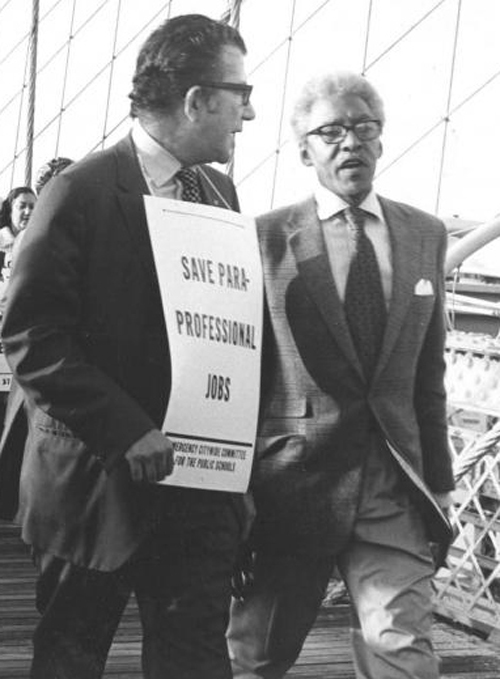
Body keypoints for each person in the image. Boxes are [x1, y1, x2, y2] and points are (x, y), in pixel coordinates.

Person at [0, 13, 255, 679]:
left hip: (197, 499)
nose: (247, 113)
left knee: (196, 664)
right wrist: (126, 428)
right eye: (240, 93)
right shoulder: (77, 192)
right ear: (198, 99)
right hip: (94, 490)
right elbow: (31, 338)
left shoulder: (222, 194)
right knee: (69, 662)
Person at [227, 70, 455, 679]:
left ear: (381, 141)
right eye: (330, 131)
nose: (349, 141)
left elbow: (425, 373)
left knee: (402, 653)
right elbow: (244, 373)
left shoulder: (423, 233)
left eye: (363, 128)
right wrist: (236, 489)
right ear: (304, 150)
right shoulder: (263, 238)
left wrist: (440, 479)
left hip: (393, 484)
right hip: (289, 487)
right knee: (257, 657)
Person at [0, 186, 37, 283]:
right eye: (22, 206)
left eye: (32, 207)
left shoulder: (41, 244)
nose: (28, 211)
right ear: (10, 211)